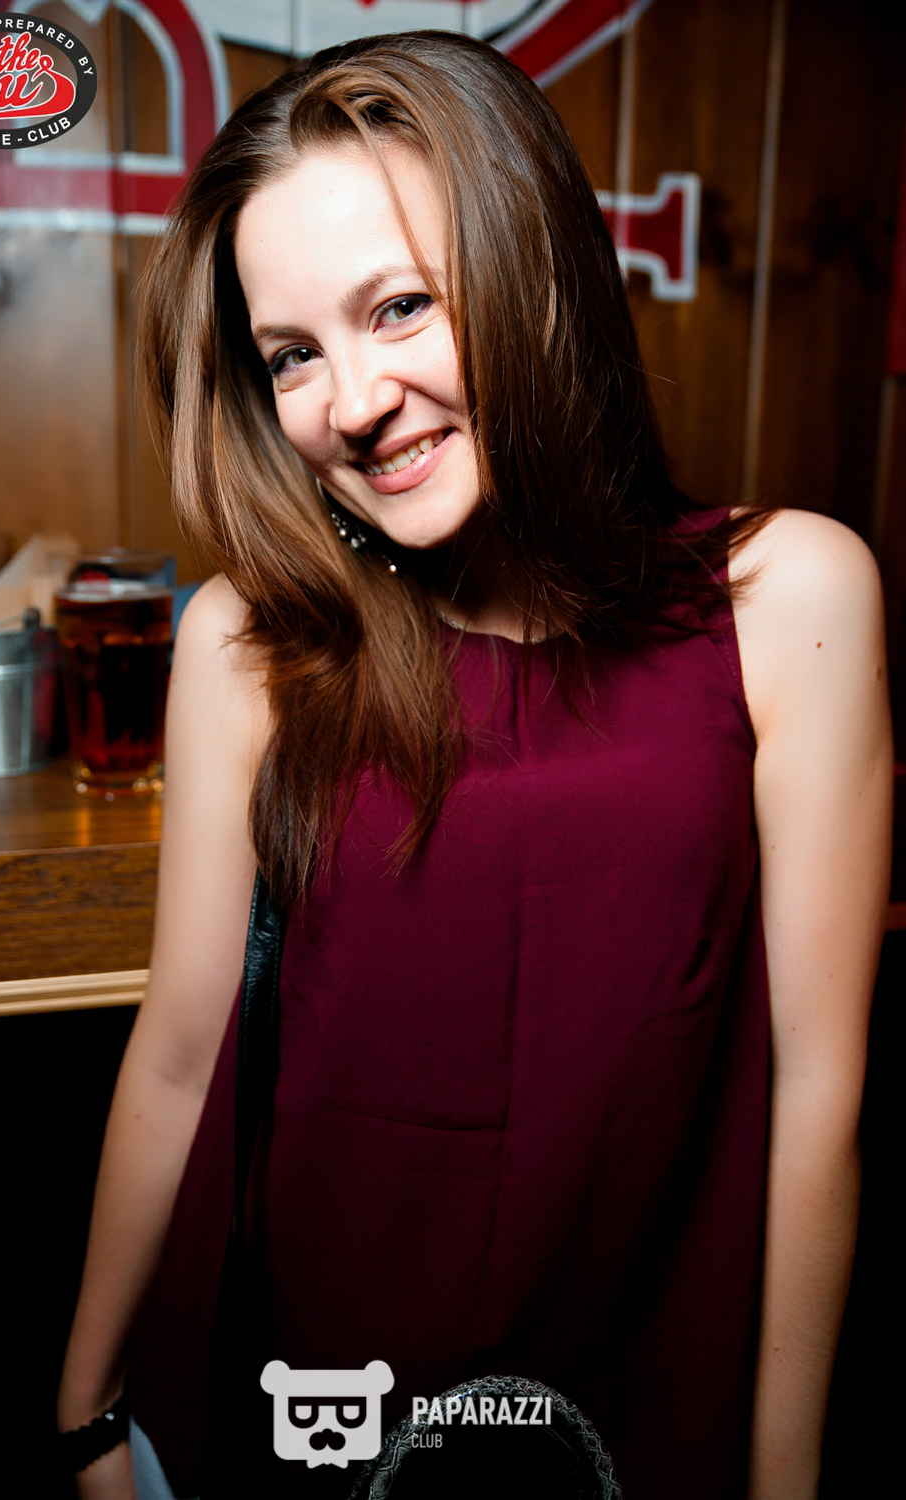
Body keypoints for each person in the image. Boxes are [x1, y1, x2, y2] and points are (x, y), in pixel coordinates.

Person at [57, 29, 892, 1500]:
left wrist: (783, 1475)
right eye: (293, 355)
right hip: (299, 1404)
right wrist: (82, 1411)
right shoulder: (246, 639)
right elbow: (181, 1056)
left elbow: (816, 1096)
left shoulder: (790, 599)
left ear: (537, 273)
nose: (351, 401)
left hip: (639, 1405)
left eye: (400, 307)